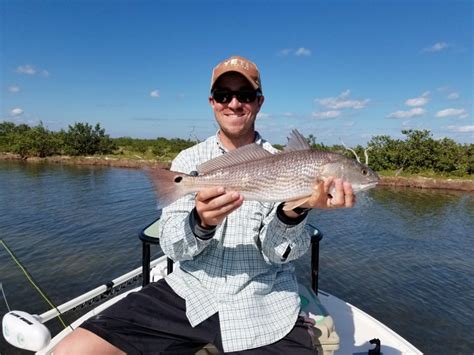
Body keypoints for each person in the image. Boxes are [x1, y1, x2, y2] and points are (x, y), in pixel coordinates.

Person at [54, 55, 355, 354]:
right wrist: (201, 223)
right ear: (212, 102)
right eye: (224, 95)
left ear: (259, 102)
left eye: (245, 95)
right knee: (73, 350)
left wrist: (294, 211)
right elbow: (173, 247)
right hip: (190, 292)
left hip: (264, 302)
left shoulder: (285, 163)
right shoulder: (188, 161)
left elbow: (279, 256)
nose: (234, 103)